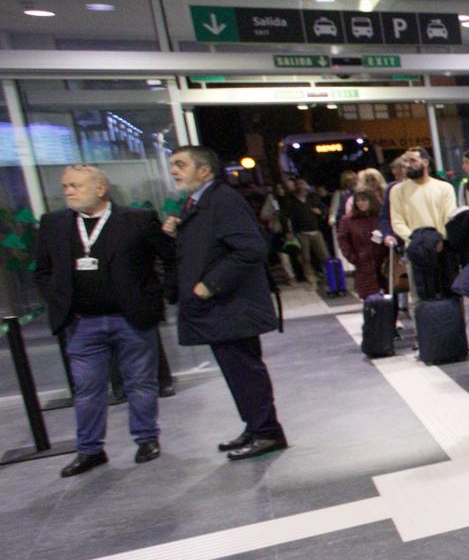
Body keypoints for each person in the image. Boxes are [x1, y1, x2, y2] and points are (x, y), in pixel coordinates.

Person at [32, 165, 171, 475]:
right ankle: (90, 450)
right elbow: (42, 271)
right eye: (65, 186)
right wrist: (59, 301)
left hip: (131, 319)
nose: (67, 191)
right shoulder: (53, 224)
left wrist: (154, 295)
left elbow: (168, 257)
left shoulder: (136, 220)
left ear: (99, 189)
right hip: (83, 323)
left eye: (75, 185)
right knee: (87, 388)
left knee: (140, 382)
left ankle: (147, 439)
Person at [163, 145, 289, 460]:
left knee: (245, 371)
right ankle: (256, 426)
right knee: (238, 372)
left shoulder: (222, 200)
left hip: (231, 305)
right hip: (223, 309)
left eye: (180, 164)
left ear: (204, 170)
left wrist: (209, 285)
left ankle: (266, 432)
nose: (174, 170)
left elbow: (250, 249)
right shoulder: (199, 202)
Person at [389, 149, 456, 297]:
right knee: (419, 297)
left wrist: (439, 240)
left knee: (450, 293)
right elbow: (397, 222)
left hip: (442, 248)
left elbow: (449, 217)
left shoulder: (444, 188)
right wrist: (418, 241)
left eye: (413, 161)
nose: (407, 165)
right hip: (415, 250)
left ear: (425, 162)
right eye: (405, 161)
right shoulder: (397, 191)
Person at [336, 173, 389, 299]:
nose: (361, 203)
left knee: (387, 299)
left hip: (383, 264)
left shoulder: (380, 217)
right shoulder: (348, 220)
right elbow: (343, 240)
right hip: (363, 265)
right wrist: (353, 258)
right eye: (358, 201)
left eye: (364, 200)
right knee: (370, 300)